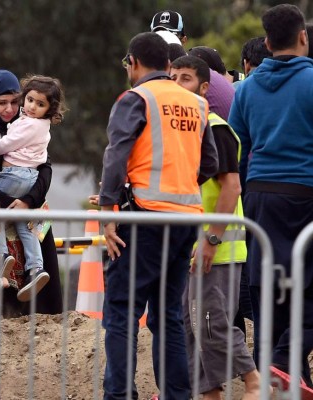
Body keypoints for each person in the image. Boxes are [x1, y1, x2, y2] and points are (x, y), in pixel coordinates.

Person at [99, 32, 218, 400]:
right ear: (169, 66)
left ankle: (119, 395)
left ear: (133, 62)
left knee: (122, 311)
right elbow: (210, 163)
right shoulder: (197, 104)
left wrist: (108, 209)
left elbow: (116, 156)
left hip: (144, 220)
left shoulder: (136, 98)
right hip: (185, 221)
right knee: (168, 316)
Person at [228, 4, 313, 395]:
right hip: (305, 192)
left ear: (265, 42)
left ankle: (279, 373)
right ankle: (284, 358)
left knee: (266, 288)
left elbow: (236, 150)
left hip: (260, 194)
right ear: (303, 37)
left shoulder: (245, 88)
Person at [171, 55, 261, 400]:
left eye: (186, 79)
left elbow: (232, 187)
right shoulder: (180, 132)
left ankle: (253, 380)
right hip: (186, 247)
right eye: (173, 77)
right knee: (187, 326)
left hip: (219, 248)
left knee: (214, 323)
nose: (178, 84)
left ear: (204, 88)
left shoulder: (216, 127)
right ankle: (209, 392)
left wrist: (211, 238)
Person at [0, 68, 63, 315]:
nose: (10, 109)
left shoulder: (29, 125)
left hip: (30, 203)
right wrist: (12, 200)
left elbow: (45, 169)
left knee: (39, 243)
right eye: (2, 103)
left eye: (15, 101)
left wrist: (28, 200)